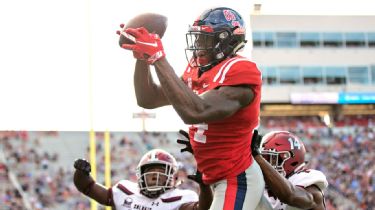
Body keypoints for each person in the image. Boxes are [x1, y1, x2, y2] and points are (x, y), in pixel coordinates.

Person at [120, 7, 264, 209]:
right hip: (215, 177)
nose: (198, 45)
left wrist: (158, 58)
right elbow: (148, 98)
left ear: (225, 40)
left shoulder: (241, 71)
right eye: (197, 37)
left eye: (204, 38)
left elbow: (197, 111)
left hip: (236, 178)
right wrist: (143, 59)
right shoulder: (197, 69)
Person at [73, 148, 213, 210]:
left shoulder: (181, 198)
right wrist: (81, 172)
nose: (154, 174)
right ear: (140, 174)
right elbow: (88, 187)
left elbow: (202, 208)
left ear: (172, 176)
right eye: (150, 170)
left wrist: (205, 186)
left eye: (160, 171)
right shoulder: (125, 190)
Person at [251, 130, 328, 210]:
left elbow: (291, 196)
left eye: (270, 159)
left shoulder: (305, 182)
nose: (263, 165)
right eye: (263, 158)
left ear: (291, 161)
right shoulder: (263, 189)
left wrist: (257, 156)